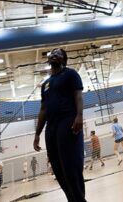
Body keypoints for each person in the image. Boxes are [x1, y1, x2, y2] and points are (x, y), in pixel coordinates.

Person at [33, 48, 86, 202]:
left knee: (71, 165)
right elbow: (43, 109)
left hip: (67, 121)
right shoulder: (46, 84)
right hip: (51, 128)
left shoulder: (70, 74)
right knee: (57, 168)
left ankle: (79, 199)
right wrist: (37, 133)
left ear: (63, 60)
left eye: (59, 54)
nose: (55, 54)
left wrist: (79, 116)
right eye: (53, 53)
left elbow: (78, 96)